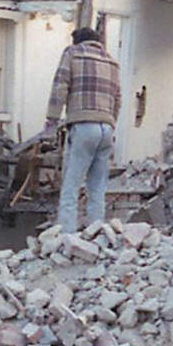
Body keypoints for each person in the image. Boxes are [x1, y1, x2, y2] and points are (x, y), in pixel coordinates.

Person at [43, 26, 122, 234]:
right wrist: (111, 121)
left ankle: (67, 234)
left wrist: (52, 119)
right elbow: (118, 97)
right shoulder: (112, 61)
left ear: (77, 41)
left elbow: (60, 85)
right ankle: (96, 231)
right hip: (106, 127)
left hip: (83, 124)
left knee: (72, 183)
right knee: (97, 185)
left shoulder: (72, 53)